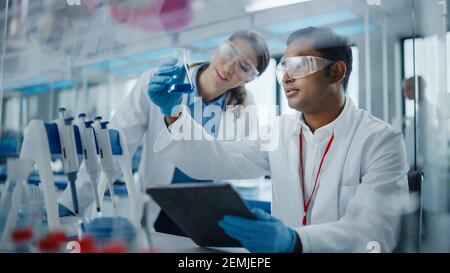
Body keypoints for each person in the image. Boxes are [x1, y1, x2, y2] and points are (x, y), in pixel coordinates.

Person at [150, 27, 409, 253]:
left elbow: (376, 233)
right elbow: (215, 159)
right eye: (283, 67)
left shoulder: (380, 141)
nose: (286, 77)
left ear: (336, 72)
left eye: (299, 66)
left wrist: (295, 242)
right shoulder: (278, 132)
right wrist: (174, 113)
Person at [57, 30, 271, 234]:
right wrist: (73, 201)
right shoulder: (161, 83)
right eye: (229, 53)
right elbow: (116, 145)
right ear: (218, 48)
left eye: (243, 66)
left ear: (249, 79)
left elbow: (244, 162)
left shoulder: (243, 108)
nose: (228, 67)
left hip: (205, 211)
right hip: (157, 204)